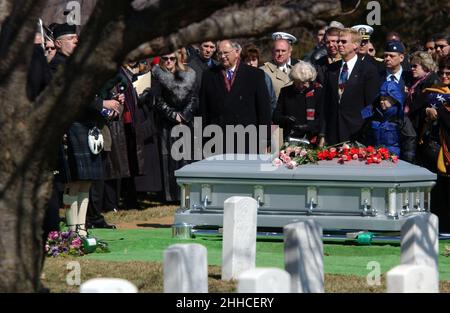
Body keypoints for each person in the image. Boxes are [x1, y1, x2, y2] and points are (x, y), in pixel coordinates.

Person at [200, 39, 271, 154]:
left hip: (247, 138)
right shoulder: (209, 75)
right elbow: (203, 109)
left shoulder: (255, 75)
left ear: (237, 52)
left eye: (226, 53)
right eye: (219, 53)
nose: (222, 56)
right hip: (217, 139)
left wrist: (265, 139)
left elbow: (263, 110)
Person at [152, 50, 198, 202]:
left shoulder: (189, 74)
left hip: (186, 122)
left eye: (172, 58)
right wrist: (173, 115)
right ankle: (170, 195)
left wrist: (184, 115)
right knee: (168, 159)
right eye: (165, 58)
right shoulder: (157, 75)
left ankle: (186, 193)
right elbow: (157, 100)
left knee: (186, 158)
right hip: (166, 123)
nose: (169, 61)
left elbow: (193, 98)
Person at [323, 28, 379, 145]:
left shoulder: (368, 70)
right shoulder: (331, 69)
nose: (339, 44)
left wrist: (364, 129)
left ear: (355, 45)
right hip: (333, 133)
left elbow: (371, 104)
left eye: (343, 42)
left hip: (357, 132)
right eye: (338, 41)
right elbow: (325, 104)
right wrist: (322, 133)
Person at [417, 56, 450, 232]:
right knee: (436, 194)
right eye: (442, 72)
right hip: (432, 147)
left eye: (448, 73)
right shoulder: (431, 92)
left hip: (447, 148)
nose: (444, 76)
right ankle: (439, 229)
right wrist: (426, 112)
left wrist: (439, 111)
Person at [361, 80, 416, 162]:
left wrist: (408, 162)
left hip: (394, 160)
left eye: (385, 99)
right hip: (374, 159)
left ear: (394, 100)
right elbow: (366, 138)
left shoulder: (400, 118)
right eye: (381, 99)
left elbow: (409, 140)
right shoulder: (374, 116)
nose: (381, 102)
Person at [273, 61, 325, 146]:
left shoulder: (318, 92)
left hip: (312, 139)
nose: (301, 86)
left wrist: (308, 127)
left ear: (310, 80)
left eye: (304, 82)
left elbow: (323, 119)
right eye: (297, 82)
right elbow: (276, 117)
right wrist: (286, 119)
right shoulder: (285, 92)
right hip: (290, 139)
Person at [405, 51, 440, 131]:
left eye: (415, 66)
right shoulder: (415, 80)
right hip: (412, 123)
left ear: (425, 66)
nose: (412, 69)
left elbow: (420, 104)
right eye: (411, 66)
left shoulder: (432, 81)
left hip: (422, 128)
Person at [241, 43, 277, 115]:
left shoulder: (265, 78)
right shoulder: (238, 77)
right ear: (243, 61)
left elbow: (272, 101)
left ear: (258, 60)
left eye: (254, 60)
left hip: (261, 119)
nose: (251, 63)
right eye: (248, 60)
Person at [260, 32, 298, 98]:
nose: (280, 54)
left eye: (283, 51)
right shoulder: (263, 71)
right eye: (277, 51)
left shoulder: (299, 67)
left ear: (289, 52)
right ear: (272, 51)